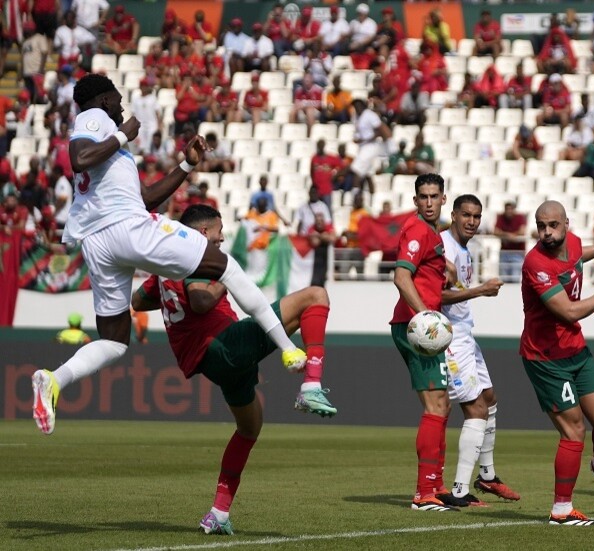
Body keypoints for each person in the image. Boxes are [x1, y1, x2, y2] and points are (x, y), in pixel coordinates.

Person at [30, 75, 307, 436]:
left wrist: (186, 166)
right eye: (117, 99)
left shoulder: (113, 155)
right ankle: (288, 349)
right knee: (225, 267)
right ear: (103, 99)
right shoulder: (93, 118)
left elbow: (145, 198)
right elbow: (80, 158)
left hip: (99, 242)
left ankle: (54, 380)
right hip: (126, 228)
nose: (122, 107)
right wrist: (122, 134)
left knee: (114, 341)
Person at [130, 205, 335, 536]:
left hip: (212, 361)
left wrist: (175, 294)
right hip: (223, 344)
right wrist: (226, 278)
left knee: (250, 427)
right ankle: (311, 384)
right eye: (219, 231)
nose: (223, 238)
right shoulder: (196, 253)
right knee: (316, 295)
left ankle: (218, 513)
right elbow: (200, 301)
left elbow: (138, 301)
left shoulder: (166, 267)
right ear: (202, 233)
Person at [521, 199, 594, 525]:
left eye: (553, 225)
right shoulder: (535, 263)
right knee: (574, 431)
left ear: (566, 224)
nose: (546, 232)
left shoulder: (571, 242)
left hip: (575, 349)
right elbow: (569, 312)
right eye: (541, 226)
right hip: (545, 358)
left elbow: (577, 255)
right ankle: (561, 510)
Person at [389, 174, 469, 512]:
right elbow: (401, 276)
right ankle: (424, 493)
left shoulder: (430, 233)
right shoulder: (418, 230)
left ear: (443, 199)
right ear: (415, 200)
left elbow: (424, 266)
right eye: (423, 196)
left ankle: (436, 486)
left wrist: (443, 266)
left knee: (443, 406)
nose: (429, 202)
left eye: (434, 196)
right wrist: (426, 318)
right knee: (436, 407)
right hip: (417, 329)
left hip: (423, 329)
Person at [440, 194, 520, 506]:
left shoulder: (464, 249)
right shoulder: (444, 247)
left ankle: (487, 475)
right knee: (474, 409)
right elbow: (435, 295)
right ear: (454, 215)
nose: (471, 221)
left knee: (489, 398)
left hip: (465, 333)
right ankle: (460, 490)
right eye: (466, 215)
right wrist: (480, 291)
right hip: (449, 337)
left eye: (476, 216)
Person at [351, 99, 390, 195]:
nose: (357, 108)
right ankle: (373, 196)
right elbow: (357, 133)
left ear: (363, 106)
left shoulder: (370, 115)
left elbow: (380, 130)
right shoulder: (355, 117)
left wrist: (368, 139)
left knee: (356, 170)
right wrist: (358, 139)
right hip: (362, 147)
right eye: (355, 106)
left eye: (358, 106)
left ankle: (355, 195)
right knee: (368, 175)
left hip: (370, 147)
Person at [494, 201, 527, 283]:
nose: (509, 211)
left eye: (510, 209)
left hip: (517, 253)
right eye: (507, 209)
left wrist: (508, 235)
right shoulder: (501, 217)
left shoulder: (520, 217)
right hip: (505, 252)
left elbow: (522, 231)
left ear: (514, 209)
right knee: (503, 280)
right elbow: (495, 231)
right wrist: (508, 235)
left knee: (514, 279)